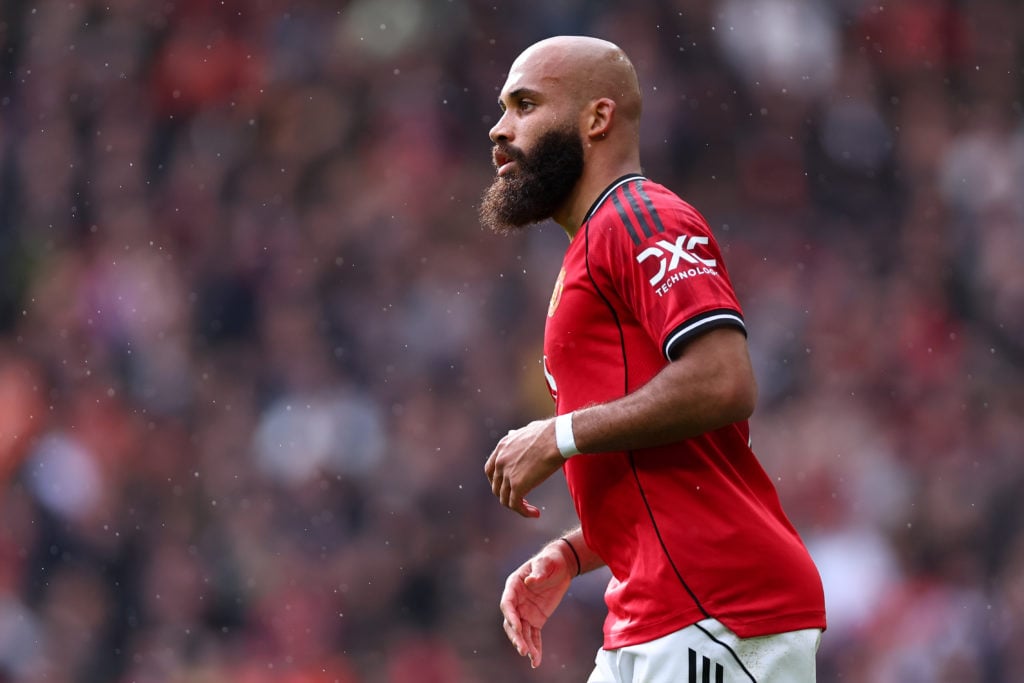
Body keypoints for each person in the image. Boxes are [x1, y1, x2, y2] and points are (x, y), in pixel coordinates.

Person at [480, 36, 827, 682]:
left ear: (597, 118)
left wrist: (556, 436)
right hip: (653, 610)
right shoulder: (591, 247)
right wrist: (577, 551)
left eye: (524, 105)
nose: (500, 129)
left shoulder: (640, 216)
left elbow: (724, 380)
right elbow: (675, 465)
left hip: (718, 606)